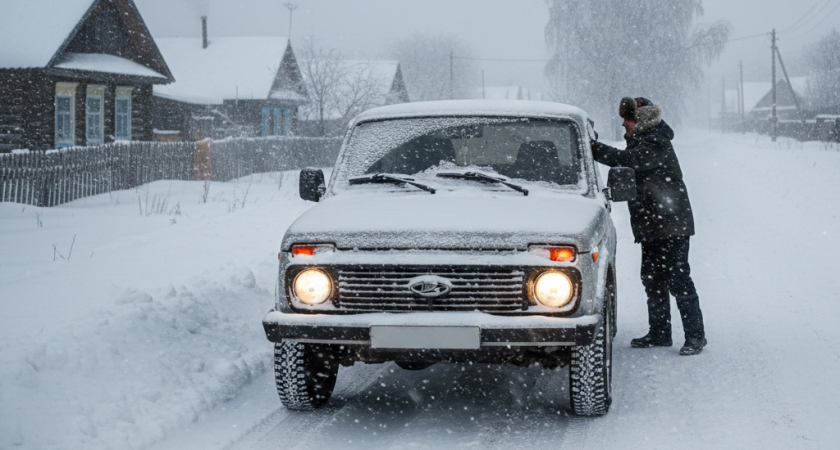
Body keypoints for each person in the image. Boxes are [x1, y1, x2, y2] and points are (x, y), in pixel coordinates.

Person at [590, 97, 707, 355]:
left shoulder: (656, 143)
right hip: (654, 226)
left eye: (627, 118)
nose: (623, 123)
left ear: (640, 119)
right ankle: (660, 333)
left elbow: (626, 160)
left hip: (671, 225)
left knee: (678, 279)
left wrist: (591, 147)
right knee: (652, 279)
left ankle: (696, 337)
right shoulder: (645, 140)